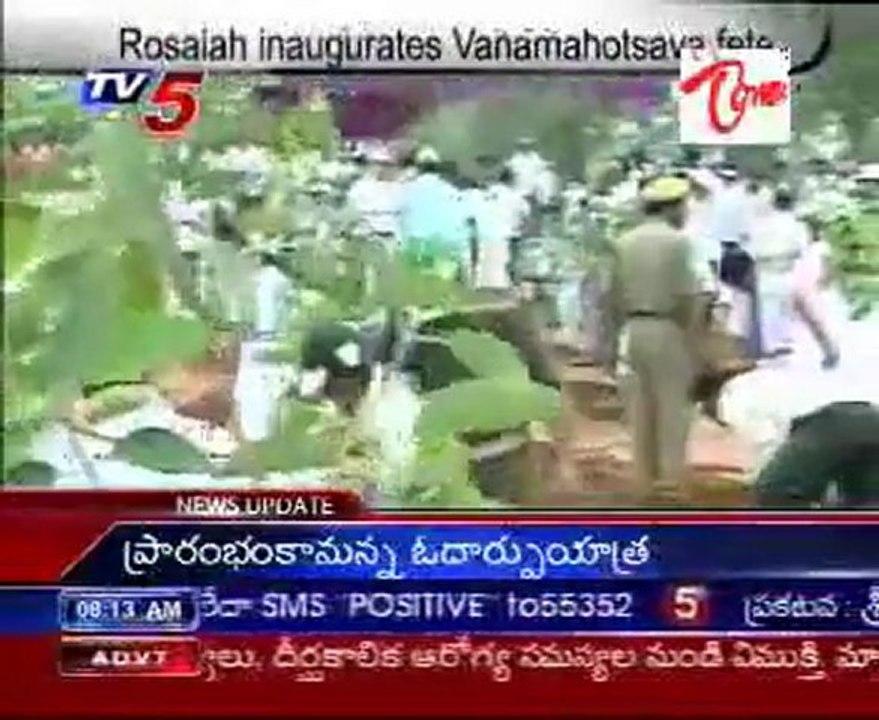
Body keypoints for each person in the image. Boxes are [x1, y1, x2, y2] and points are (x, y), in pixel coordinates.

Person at [609, 176, 701, 503]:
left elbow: (611, 296)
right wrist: (695, 343)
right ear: (672, 207)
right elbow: (689, 297)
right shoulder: (678, 243)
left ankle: (644, 485)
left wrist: (613, 340)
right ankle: (670, 486)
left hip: (633, 329)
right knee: (673, 410)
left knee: (640, 412)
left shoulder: (623, 242)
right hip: (667, 327)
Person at [232, 250, 297, 443]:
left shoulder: (267, 400)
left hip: (267, 352)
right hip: (258, 352)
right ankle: (273, 278)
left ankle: (273, 278)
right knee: (269, 314)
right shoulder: (243, 398)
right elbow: (242, 378)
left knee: (272, 314)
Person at [750, 185, 810, 356]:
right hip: (787, 269)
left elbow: (753, 249)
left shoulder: (761, 224)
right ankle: (783, 340)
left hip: (765, 270)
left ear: (774, 203)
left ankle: (769, 344)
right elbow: (802, 250)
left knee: (768, 309)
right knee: (785, 307)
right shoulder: (797, 226)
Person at [398, 146, 468, 273]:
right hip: (443, 245)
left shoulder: (406, 189)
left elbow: (400, 218)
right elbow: (459, 222)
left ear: (418, 167)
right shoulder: (450, 191)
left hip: (416, 245)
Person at [473, 167, 529, 291]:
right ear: (512, 179)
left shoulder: (487, 193)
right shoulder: (516, 196)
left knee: (485, 261)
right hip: (510, 234)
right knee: (511, 263)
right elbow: (525, 214)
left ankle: (481, 285)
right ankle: (512, 286)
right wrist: (522, 227)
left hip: (488, 233)